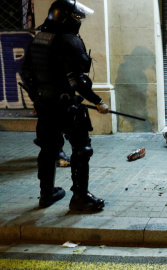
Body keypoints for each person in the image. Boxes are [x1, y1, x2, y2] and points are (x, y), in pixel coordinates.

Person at [21, 0, 108, 211]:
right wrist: (98, 101)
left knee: (48, 148)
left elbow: (26, 73)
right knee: (81, 148)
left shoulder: (38, 39)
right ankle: (80, 197)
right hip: (65, 105)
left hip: (44, 103)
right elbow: (77, 81)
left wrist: (38, 99)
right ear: (66, 18)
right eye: (76, 17)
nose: (78, 21)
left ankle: (46, 194)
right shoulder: (69, 41)